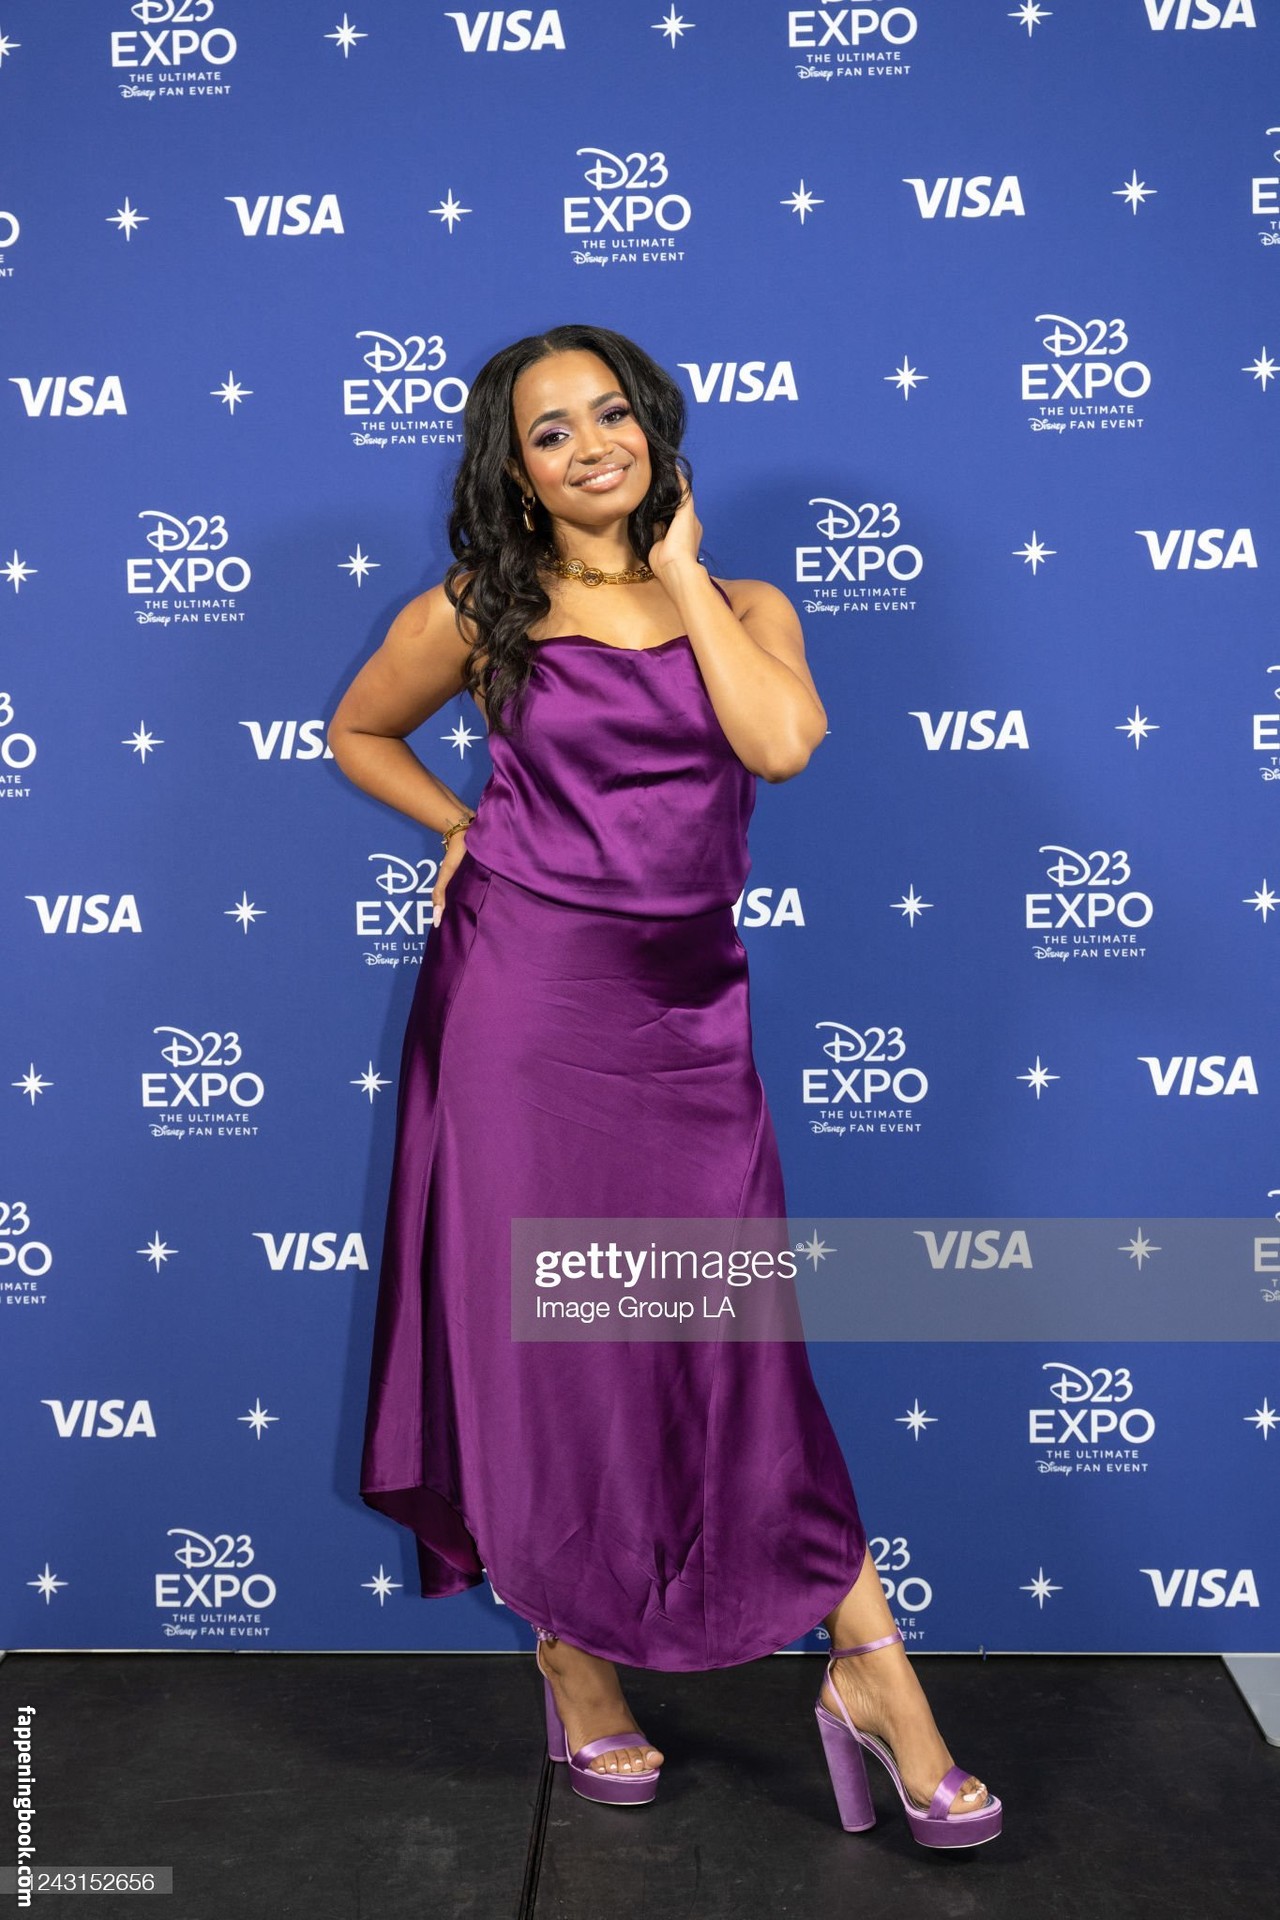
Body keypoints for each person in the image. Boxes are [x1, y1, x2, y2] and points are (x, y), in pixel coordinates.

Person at [327, 323, 1000, 1845]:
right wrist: (458, 825)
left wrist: (683, 574)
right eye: (550, 430)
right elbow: (357, 730)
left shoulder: (747, 604)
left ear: (655, 428)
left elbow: (783, 742)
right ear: (515, 469)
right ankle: (582, 1661)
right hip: (521, 1006)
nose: (589, 446)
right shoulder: (480, 609)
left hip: (687, 1017)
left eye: (610, 413)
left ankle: (862, 1670)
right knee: (544, 1343)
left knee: (730, 1341)